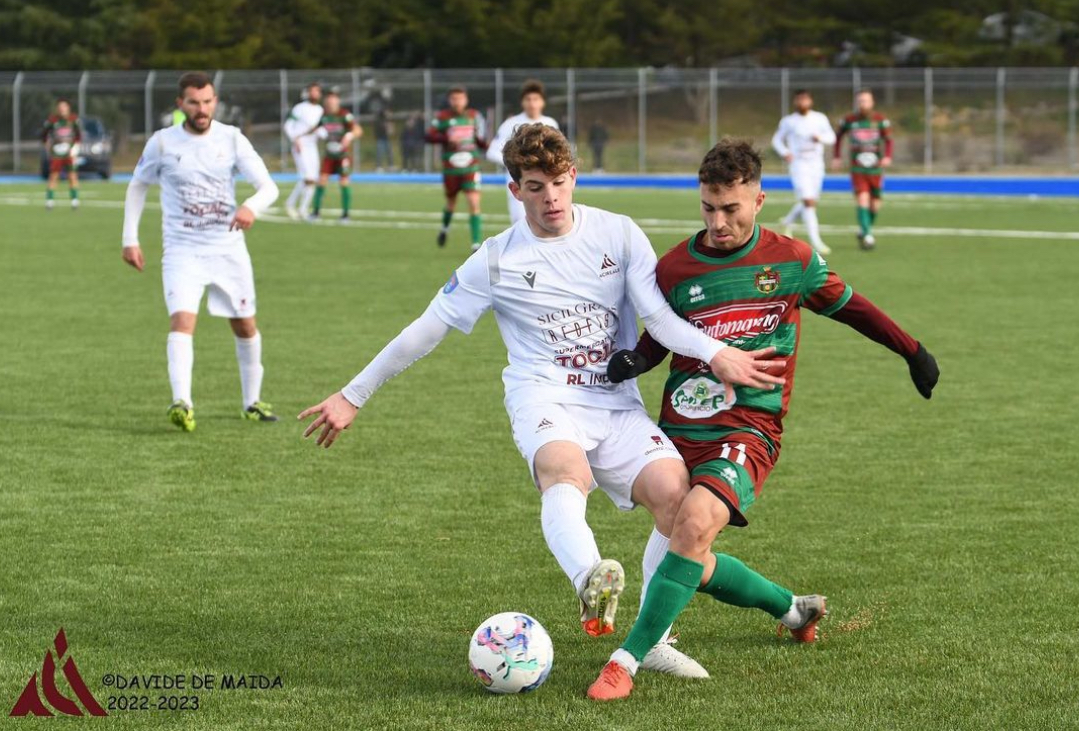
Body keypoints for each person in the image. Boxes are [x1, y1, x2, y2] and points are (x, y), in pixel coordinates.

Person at [299, 124, 781, 678]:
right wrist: (353, 394)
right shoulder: (495, 259)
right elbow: (424, 331)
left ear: (573, 176)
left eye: (557, 182)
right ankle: (590, 580)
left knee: (676, 501)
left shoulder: (618, 234)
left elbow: (658, 319)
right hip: (544, 395)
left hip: (615, 402)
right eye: (534, 187)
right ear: (515, 190)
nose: (550, 197)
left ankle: (654, 640)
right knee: (565, 471)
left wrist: (716, 353)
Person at [586, 139, 940, 701]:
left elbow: (854, 308)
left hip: (749, 428)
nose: (718, 222)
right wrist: (635, 360)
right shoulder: (675, 267)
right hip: (678, 428)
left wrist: (912, 351)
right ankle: (792, 609)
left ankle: (625, 660)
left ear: (758, 200)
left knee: (694, 525)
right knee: (688, 546)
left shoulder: (791, 261)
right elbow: (661, 337)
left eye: (731, 209)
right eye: (708, 208)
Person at [120, 71, 281, 432]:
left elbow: (268, 187)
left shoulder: (231, 138)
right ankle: (182, 403)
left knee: (245, 325)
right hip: (182, 251)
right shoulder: (163, 143)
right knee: (182, 321)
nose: (202, 109)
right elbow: (137, 186)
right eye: (194, 102)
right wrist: (129, 238)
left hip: (227, 250)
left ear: (215, 102)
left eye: (207, 102)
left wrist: (250, 207)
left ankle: (252, 402)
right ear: (181, 104)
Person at [487, 79, 560, 226]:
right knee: (521, 224)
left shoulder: (551, 123)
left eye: (536, 99)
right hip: (521, 183)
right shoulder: (510, 124)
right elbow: (492, 152)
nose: (532, 103)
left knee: (548, 224)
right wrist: (519, 163)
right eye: (528, 99)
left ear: (542, 102)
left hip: (547, 183)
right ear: (522, 102)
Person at [771, 89, 834, 254]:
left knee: (811, 201)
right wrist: (785, 152)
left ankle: (786, 222)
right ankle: (816, 241)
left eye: (805, 99)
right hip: (799, 164)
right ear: (795, 102)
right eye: (799, 99)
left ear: (810, 101)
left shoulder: (819, 118)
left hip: (816, 164)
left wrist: (820, 138)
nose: (802, 103)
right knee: (808, 201)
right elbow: (777, 140)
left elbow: (831, 137)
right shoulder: (789, 121)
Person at [426, 86, 488, 250]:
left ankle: (475, 244)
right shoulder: (443, 117)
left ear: (466, 100)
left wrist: (487, 146)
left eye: (460, 98)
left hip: (471, 167)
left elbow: (480, 139)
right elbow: (429, 135)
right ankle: (444, 228)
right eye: (454, 98)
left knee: (473, 202)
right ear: (449, 100)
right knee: (451, 203)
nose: (457, 102)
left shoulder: (474, 116)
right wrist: (445, 138)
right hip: (451, 168)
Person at [833, 89, 893, 250]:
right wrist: (837, 157)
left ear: (872, 102)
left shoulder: (880, 120)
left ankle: (864, 228)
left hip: (876, 168)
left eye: (866, 101)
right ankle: (867, 236)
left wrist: (887, 156)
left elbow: (888, 140)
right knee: (862, 198)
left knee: (875, 204)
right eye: (860, 101)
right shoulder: (849, 120)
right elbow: (838, 137)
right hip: (857, 167)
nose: (863, 104)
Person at [311, 91, 363, 222]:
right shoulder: (324, 116)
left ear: (338, 102)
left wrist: (349, 136)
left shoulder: (344, 115)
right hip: (329, 155)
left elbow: (358, 130)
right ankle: (315, 212)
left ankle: (345, 214)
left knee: (344, 182)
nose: (331, 103)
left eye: (333, 101)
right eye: (329, 101)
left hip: (342, 155)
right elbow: (315, 129)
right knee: (321, 181)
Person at [283, 82, 324, 220]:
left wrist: (322, 133)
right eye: (312, 91)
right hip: (300, 145)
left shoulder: (320, 110)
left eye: (317, 91)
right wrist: (295, 139)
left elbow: (322, 130)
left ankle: (301, 208)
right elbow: (288, 125)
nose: (315, 94)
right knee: (307, 177)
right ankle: (293, 205)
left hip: (312, 146)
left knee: (313, 178)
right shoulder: (300, 108)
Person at [41, 98, 82, 211]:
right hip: (57, 153)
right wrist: (47, 146)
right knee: (54, 176)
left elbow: (78, 135)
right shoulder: (52, 120)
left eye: (64, 107)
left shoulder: (73, 119)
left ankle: (74, 201)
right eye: (60, 107)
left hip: (69, 152)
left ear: (68, 108)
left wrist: (75, 147)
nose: (62, 109)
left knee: (72, 176)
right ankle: (49, 202)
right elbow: (44, 134)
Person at [374, 104, 394, 171]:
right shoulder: (379, 119)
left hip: (386, 138)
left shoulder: (387, 120)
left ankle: (391, 165)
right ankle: (378, 166)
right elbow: (387, 129)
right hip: (380, 138)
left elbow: (391, 131)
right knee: (380, 152)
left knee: (389, 152)